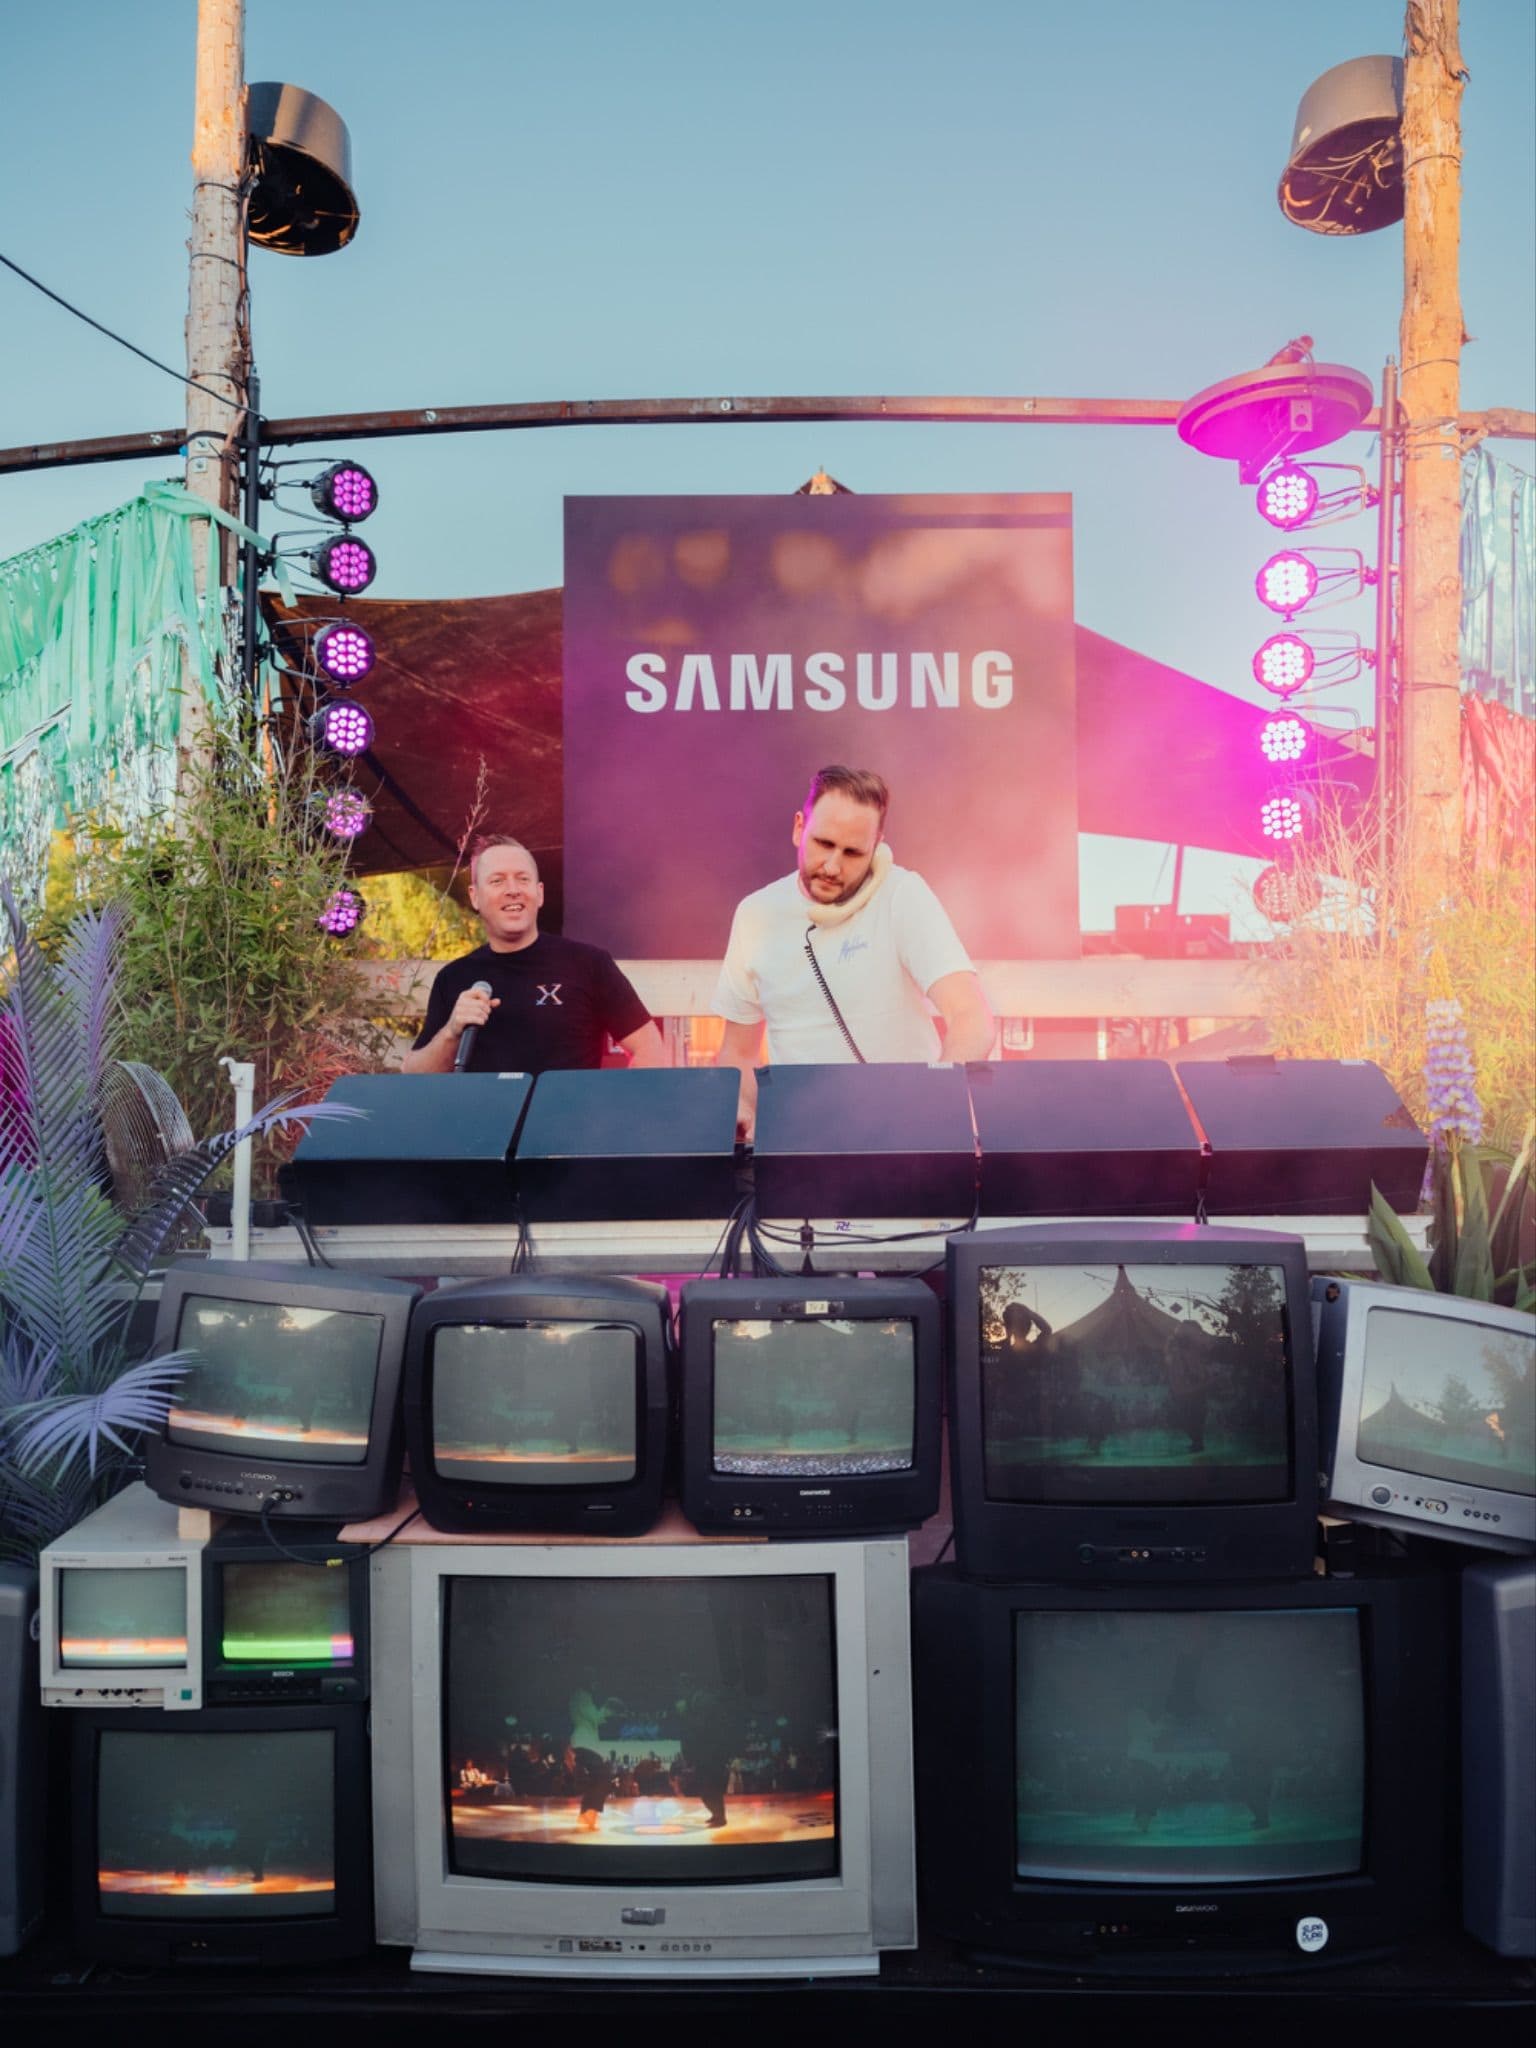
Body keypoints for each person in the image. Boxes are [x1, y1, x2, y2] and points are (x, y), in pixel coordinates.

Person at [711, 766, 995, 1137]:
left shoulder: (902, 895)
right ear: (799, 828)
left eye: (852, 853)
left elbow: (971, 1017)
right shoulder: (756, 914)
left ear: (876, 849)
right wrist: (744, 1113)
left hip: (908, 1138)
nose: (832, 866)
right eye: (823, 844)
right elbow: (739, 1052)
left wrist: (935, 1109)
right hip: (802, 1141)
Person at [403, 834, 666, 1075]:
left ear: (539, 893)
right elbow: (414, 1075)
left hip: (569, 1124)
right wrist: (452, 1031)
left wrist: (617, 1117)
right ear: (475, 897)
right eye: (497, 881)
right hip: (487, 1125)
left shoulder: (588, 964)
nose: (513, 889)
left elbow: (651, 1049)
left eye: (523, 878)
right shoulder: (454, 978)